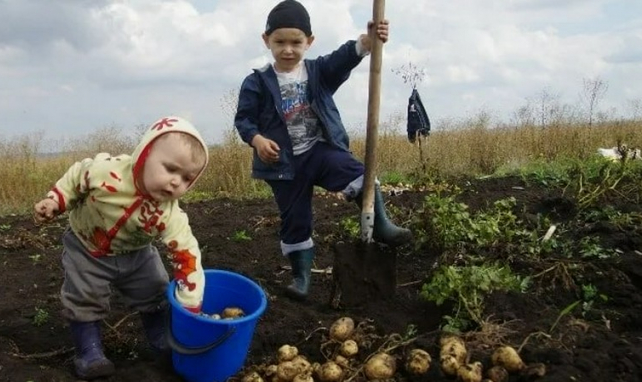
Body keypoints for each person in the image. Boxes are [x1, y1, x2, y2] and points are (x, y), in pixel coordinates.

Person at [234, 0, 412, 300]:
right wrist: (258, 141)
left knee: (356, 171)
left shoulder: (317, 72)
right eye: (279, 42)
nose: (288, 49)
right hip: (283, 165)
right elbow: (244, 120)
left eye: (296, 42)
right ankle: (301, 277)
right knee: (295, 219)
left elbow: (341, 59)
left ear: (309, 42)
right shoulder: (257, 83)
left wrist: (367, 41)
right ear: (267, 41)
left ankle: (381, 225)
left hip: (319, 151)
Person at [34, 116, 208, 379]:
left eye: (186, 179)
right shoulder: (107, 172)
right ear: (145, 155)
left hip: (136, 254)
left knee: (154, 289)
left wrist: (190, 304)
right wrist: (55, 201)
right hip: (87, 246)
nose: (176, 182)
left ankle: (161, 337)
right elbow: (77, 177)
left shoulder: (169, 213)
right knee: (85, 294)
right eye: (171, 169)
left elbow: (186, 252)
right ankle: (88, 351)